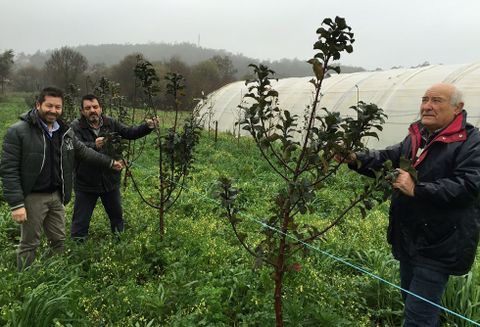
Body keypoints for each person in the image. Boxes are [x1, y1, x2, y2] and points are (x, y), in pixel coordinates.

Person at [337, 83, 480, 326]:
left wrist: (418, 189)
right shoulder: (417, 136)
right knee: (412, 304)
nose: (427, 106)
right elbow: (386, 159)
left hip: (440, 243)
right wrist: (355, 158)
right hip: (409, 238)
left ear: (458, 108)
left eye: (436, 100)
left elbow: (468, 186)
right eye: (425, 99)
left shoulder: (470, 142)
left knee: (418, 317)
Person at [0, 87, 123, 270]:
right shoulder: (19, 131)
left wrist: (110, 162)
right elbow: (8, 169)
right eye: (49, 105)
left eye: (58, 107)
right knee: (29, 243)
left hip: (56, 195)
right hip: (33, 196)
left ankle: (53, 275)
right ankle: (24, 283)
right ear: (38, 104)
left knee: (58, 240)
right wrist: (17, 204)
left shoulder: (64, 132)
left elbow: (83, 152)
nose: (53, 110)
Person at [70, 94, 157, 241]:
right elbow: (73, 148)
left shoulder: (110, 123)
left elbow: (129, 133)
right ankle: (77, 251)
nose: (92, 110)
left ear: (101, 108)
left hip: (110, 181)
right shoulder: (76, 127)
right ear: (82, 111)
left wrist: (147, 126)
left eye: (95, 107)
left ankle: (120, 244)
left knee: (116, 218)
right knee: (80, 222)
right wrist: (93, 145)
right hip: (86, 183)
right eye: (88, 108)